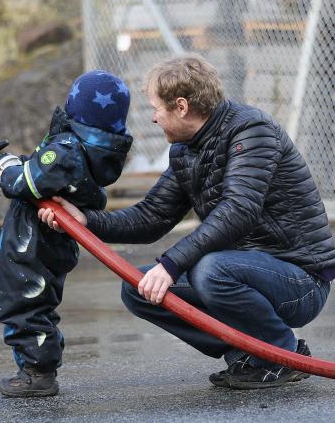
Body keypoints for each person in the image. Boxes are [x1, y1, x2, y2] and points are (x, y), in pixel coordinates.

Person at [39, 54, 335, 390]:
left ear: (181, 106)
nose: (153, 118)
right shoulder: (186, 150)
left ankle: (282, 354)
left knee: (208, 269)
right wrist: (85, 220)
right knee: (139, 288)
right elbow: (152, 217)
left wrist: (171, 264)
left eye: (156, 108)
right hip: (243, 272)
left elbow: (238, 209)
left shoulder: (252, 131)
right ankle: (247, 355)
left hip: (300, 281)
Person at [0, 70, 132, 397]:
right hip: (53, 243)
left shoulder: (66, 148)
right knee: (41, 302)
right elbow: (41, 172)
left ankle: (37, 373)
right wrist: (9, 165)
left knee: (23, 305)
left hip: (29, 245)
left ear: (74, 107)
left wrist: (6, 167)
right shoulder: (89, 152)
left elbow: (26, 181)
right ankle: (41, 364)